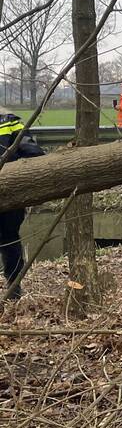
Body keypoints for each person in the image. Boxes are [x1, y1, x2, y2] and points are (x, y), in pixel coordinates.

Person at [0, 109, 45, 299]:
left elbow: (33, 156)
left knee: (9, 239)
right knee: (10, 240)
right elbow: (33, 154)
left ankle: (14, 289)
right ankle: (14, 288)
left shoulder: (9, 122)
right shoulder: (9, 122)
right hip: (10, 195)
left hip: (9, 194)